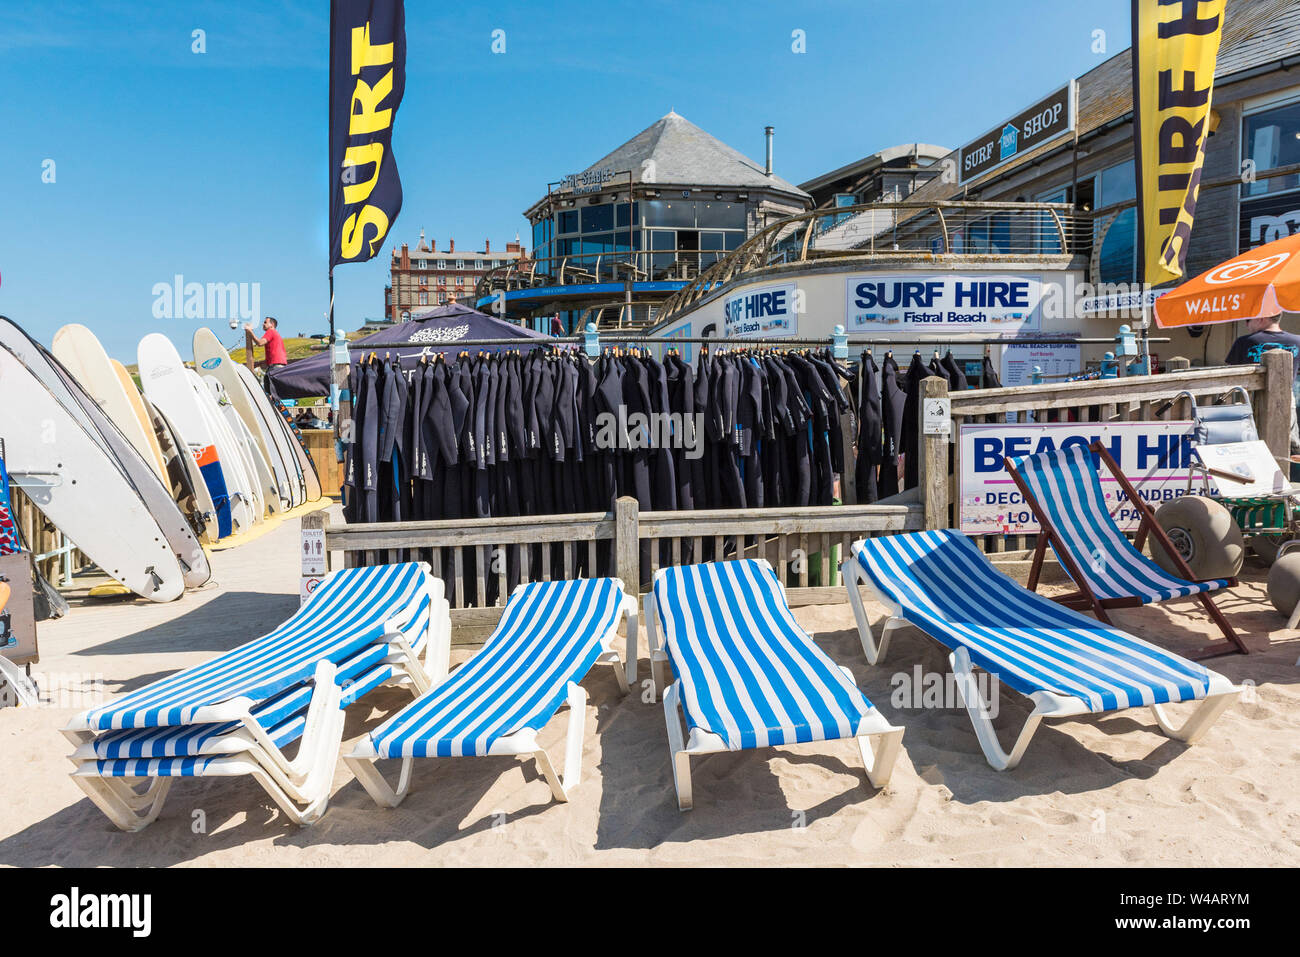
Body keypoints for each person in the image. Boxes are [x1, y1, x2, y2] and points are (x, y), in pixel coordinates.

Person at [1225, 310, 1300, 455]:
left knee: (1251, 444)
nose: (1247, 325)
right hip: (1286, 400)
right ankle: (1286, 475)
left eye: (1248, 319)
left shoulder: (1244, 342)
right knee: (1289, 444)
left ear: (1261, 317)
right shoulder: (1298, 341)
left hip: (1250, 400)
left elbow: (1230, 375)